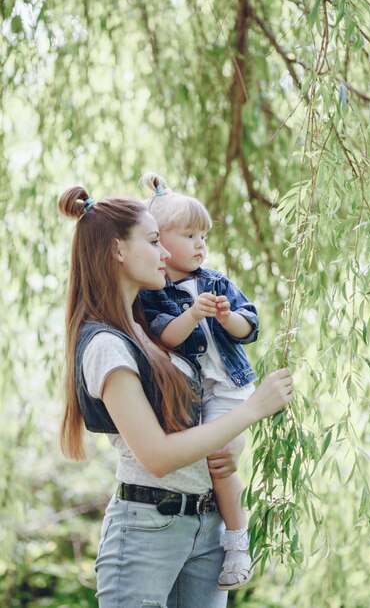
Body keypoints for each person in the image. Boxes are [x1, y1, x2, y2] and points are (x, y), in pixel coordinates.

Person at [59, 185, 293, 608]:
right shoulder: (107, 345)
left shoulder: (150, 331)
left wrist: (229, 447)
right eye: (153, 242)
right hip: (149, 528)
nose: (166, 253)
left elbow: (199, 421)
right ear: (116, 251)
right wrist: (252, 410)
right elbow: (158, 456)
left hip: (207, 525)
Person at [139, 171, 258, 590]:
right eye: (189, 235)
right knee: (200, 456)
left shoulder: (215, 281)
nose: (200, 245)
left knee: (220, 457)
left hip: (230, 388)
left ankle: (238, 543)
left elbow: (251, 325)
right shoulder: (154, 292)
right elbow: (165, 334)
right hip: (197, 395)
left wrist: (228, 317)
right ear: (159, 242)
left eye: (203, 236)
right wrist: (191, 314)